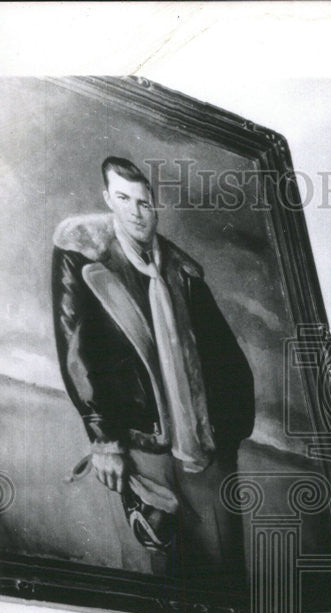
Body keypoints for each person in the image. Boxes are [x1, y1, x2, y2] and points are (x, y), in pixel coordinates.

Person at [52, 156, 254, 588]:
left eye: (144, 202)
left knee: (224, 571)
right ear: (108, 200)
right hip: (142, 443)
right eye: (123, 199)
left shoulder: (183, 272)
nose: (135, 212)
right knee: (163, 570)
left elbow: (225, 356)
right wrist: (104, 438)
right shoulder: (83, 256)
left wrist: (231, 430)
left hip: (205, 446)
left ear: (155, 206)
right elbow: (77, 350)